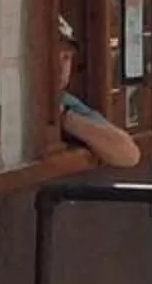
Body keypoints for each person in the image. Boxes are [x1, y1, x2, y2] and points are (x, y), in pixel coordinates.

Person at [55, 14, 141, 170]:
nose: (61, 68)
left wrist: (64, 118)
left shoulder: (66, 102)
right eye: (54, 58)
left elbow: (129, 154)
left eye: (66, 58)